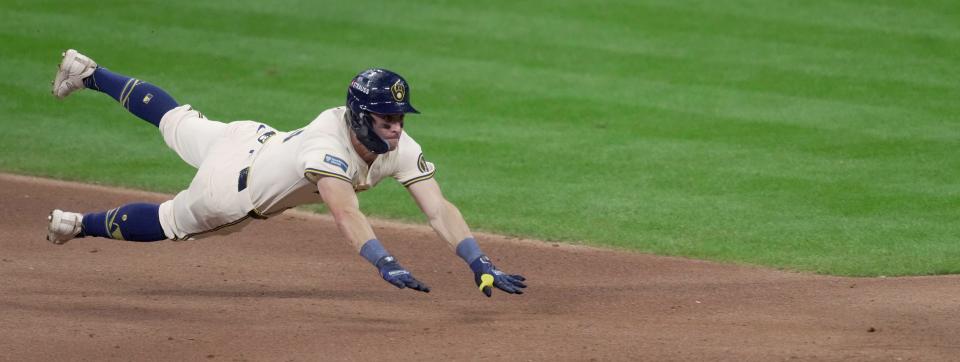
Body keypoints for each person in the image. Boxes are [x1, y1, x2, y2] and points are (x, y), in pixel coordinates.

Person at [46, 49, 526, 297]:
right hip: (228, 192)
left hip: (252, 138)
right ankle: (75, 223)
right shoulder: (328, 149)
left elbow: (438, 207)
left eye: (399, 119)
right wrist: (385, 261)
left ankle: (89, 73)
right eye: (387, 121)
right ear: (361, 118)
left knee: (177, 120)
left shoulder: (395, 143)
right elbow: (345, 212)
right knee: (172, 221)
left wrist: (479, 261)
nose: (397, 130)